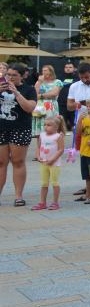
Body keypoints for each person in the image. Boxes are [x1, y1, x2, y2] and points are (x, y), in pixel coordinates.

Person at [0, 63, 36, 206]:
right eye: (8, 74)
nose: (10, 77)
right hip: (1, 128)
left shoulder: (29, 89)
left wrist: (16, 93)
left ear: (22, 76)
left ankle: (18, 196)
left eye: (14, 75)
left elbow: (29, 108)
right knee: (1, 162)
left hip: (20, 128)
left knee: (18, 161)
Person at [32, 115, 65, 211]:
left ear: (56, 127)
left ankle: (55, 202)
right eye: (45, 125)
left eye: (49, 125)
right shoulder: (42, 135)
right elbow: (38, 147)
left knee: (55, 183)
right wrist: (38, 156)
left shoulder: (58, 136)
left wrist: (53, 160)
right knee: (44, 183)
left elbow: (61, 150)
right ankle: (42, 202)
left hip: (54, 164)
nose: (46, 127)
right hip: (44, 163)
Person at [32, 64, 62, 138]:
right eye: (42, 71)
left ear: (51, 72)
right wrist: (39, 82)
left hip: (51, 106)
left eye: (45, 70)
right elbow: (34, 94)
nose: (43, 72)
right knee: (39, 131)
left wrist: (41, 95)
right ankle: (40, 143)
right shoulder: (39, 82)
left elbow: (54, 93)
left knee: (51, 125)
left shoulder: (57, 82)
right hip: (40, 106)